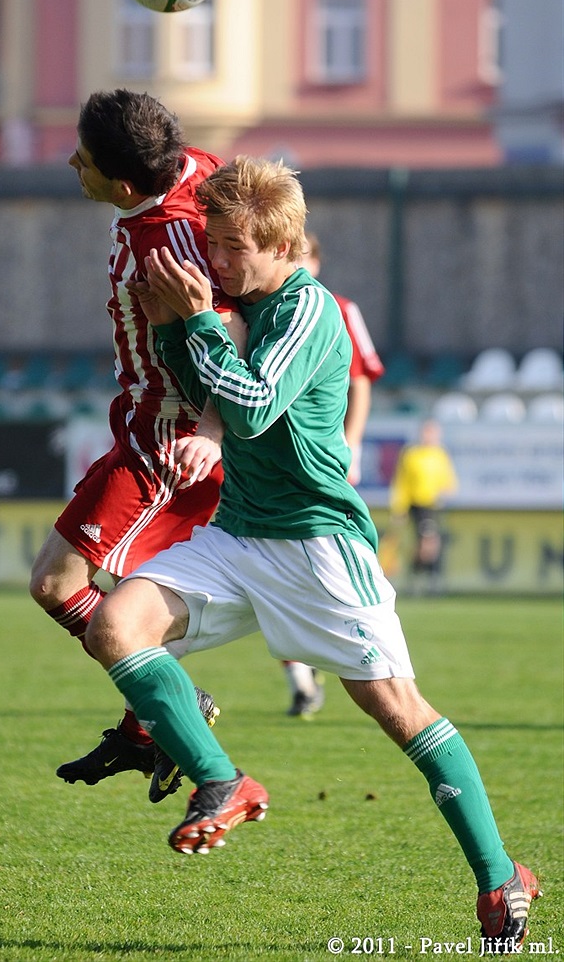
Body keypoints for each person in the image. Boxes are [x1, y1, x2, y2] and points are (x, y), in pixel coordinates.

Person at [82, 156, 540, 947]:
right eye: (211, 243)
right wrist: (173, 326)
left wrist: (194, 322)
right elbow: (207, 393)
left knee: (397, 710)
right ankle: (222, 779)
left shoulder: (307, 308)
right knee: (114, 626)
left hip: (318, 544)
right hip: (237, 532)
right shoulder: (238, 302)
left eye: (232, 247)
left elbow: (253, 408)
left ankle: (501, 876)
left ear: (283, 245)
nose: (216, 260)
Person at [29, 89, 246, 802]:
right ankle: (147, 721)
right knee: (94, 595)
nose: (72, 164)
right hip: (142, 425)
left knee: (62, 586)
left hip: (167, 440)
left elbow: (232, 332)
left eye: (83, 160)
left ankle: (171, 714)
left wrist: (209, 430)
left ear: (123, 184)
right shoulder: (192, 168)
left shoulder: (169, 242)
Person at [283, 233, 386, 717]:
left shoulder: (341, 309)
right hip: (276, 462)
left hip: (326, 460)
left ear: (318, 262)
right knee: (277, 568)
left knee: (325, 566)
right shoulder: (259, 307)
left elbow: (360, 379)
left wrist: (352, 443)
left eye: (304, 255)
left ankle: (361, 651)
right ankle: (301, 679)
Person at [388, 419, 458, 593]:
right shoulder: (412, 455)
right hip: (417, 505)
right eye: (427, 432)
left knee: (430, 543)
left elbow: (449, 481)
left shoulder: (440, 454)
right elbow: (401, 483)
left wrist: (445, 490)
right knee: (426, 543)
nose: (430, 436)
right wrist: (399, 508)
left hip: (433, 505)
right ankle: (421, 579)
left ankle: (423, 579)